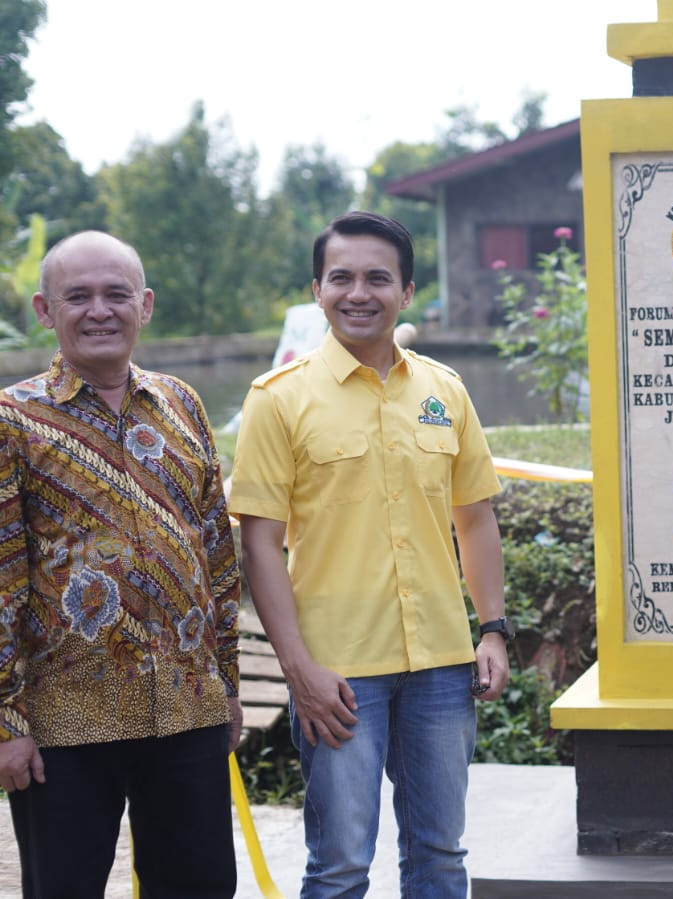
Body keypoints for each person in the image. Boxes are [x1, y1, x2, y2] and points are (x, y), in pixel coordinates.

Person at [230, 211, 511, 896]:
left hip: (441, 665)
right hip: (338, 673)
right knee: (340, 867)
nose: (359, 293)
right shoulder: (279, 400)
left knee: (440, 856)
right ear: (317, 290)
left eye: (378, 278)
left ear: (406, 291)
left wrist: (493, 629)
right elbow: (259, 544)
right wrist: (299, 669)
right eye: (342, 278)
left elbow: (475, 518)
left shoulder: (445, 391)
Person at [0, 231, 242, 896]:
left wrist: (226, 683)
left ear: (146, 305)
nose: (99, 310)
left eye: (116, 293)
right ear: (45, 310)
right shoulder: (13, 418)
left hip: (188, 709)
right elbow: (2, 577)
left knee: (200, 887)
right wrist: (6, 722)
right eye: (78, 296)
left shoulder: (182, 404)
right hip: (65, 719)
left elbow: (216, 554)